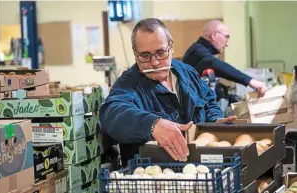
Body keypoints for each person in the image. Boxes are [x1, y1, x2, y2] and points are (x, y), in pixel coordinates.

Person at [100, 18, 236, 166]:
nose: (154, 62)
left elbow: (209, 101)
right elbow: (111, 113)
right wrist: (152, 125)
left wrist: (215, 120)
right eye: (145, 55)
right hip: (155, 179)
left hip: (198, 170)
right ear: (135, 53)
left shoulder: (187, 72)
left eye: (160, 52)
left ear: (171, 47)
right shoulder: (128, 84)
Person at [182, 20, 267, 97]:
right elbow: (214, 63)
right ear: (214, 35)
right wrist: (250, 81)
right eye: (226, 37)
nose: (227, 44)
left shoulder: (201, 51)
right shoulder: (198, 51)